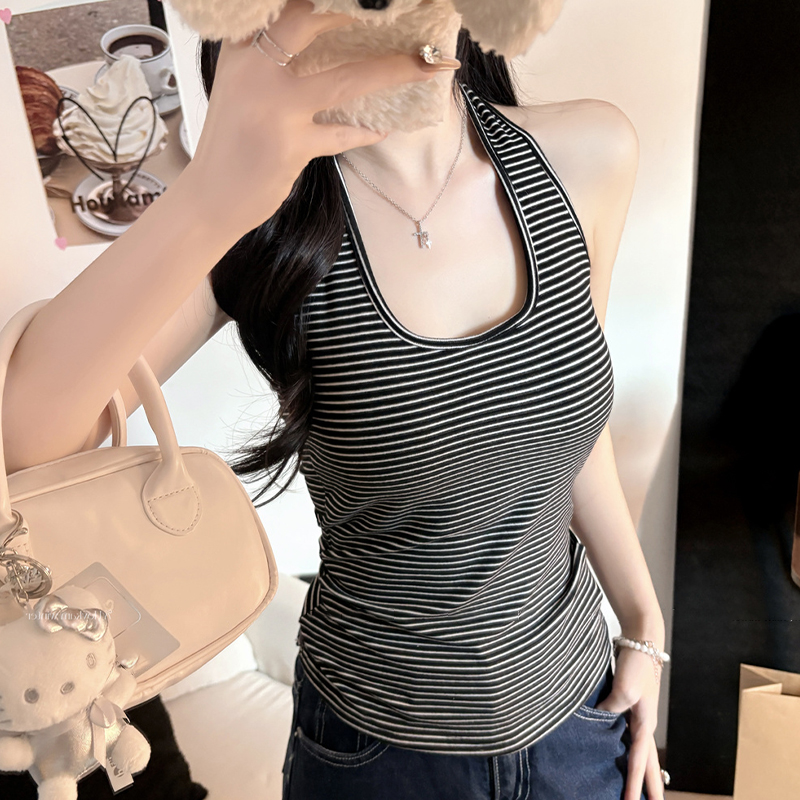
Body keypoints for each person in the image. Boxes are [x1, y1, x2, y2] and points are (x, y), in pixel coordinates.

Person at [2, 1, 667, 798]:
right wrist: (210, 192)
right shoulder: (261, 219)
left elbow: (564, 425)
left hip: (581, 718)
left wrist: (644, 620)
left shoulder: (587, 155)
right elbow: (26, 433)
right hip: (378, 752)